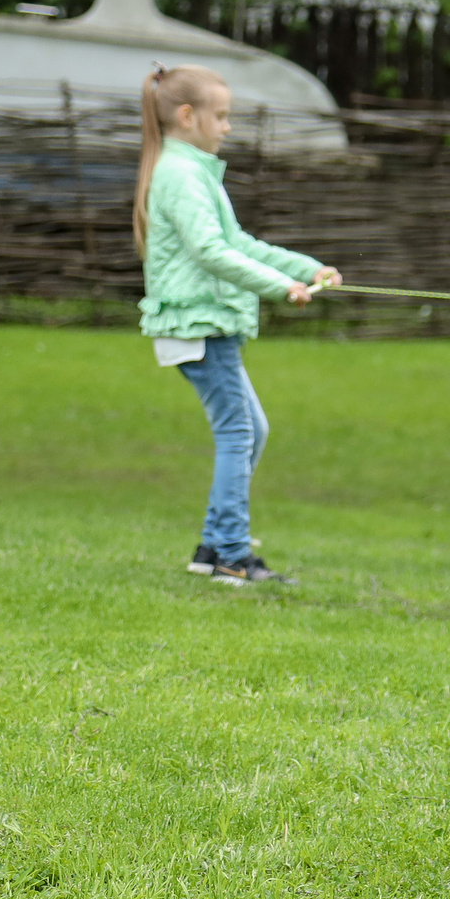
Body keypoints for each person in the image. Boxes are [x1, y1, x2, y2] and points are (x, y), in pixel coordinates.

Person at [135, 64, 339, 587]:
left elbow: (238, 243)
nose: (227, 127)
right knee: (237, 433)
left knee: (251, 431)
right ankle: (232, 555)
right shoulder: (182, 175)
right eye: (222, 116)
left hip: (206, 322)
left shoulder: (194, 171)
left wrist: (304, 269)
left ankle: (212, 546)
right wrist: (281, 287)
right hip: (199, 323)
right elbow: (209, 251)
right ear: (188, 116)